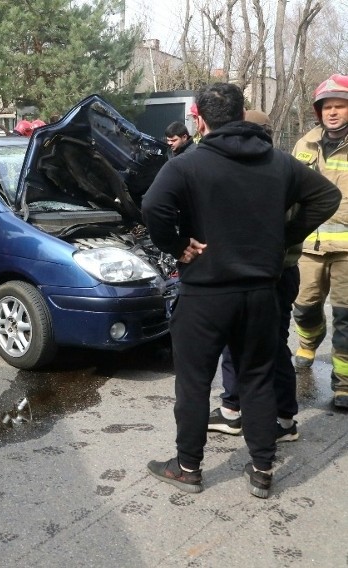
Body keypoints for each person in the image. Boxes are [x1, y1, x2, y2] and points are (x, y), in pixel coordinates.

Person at [142, 83, 340, 499]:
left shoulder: (186, 165)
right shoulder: (280, 162)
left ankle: (188, 467)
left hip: (205, 293)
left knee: (194, 383)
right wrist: (284, 236)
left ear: (199, 118)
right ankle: (263, 468)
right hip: (260, 292)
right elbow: (326, 195)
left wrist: (178, 245)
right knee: (258, 378)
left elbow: (152, 207)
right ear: (242, 113)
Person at [208, 109, 302, 442]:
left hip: (271, 276)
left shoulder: (278, 170)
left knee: (271, 346)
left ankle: (284, 419)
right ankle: (233, 411)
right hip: (257, 274)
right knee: (239, 344)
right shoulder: (267, 167)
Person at [291, 74, 348, 410]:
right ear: (318, 111)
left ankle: (343, 386)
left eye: (339, 105)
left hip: (347, 250)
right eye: (327, 106)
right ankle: (309, 342)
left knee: (346, 317)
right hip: (309, 246)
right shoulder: (304, 145)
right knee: (305, 307)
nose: (333, 112)